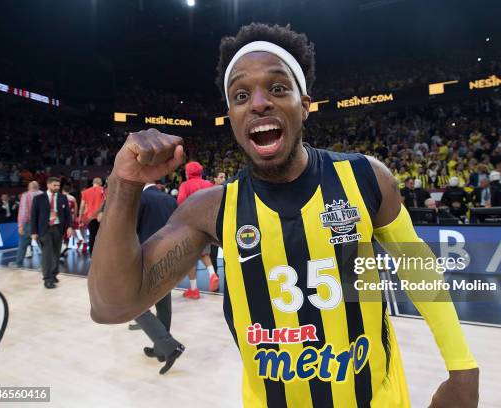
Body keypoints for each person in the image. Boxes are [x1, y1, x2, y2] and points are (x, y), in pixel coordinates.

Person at [88, 23, 478, 407]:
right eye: (241, 95)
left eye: (277, 88)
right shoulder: (211, 209)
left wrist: (462, 368)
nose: (258, 102)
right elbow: (112, 307)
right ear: (233, 117)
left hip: (377, 399)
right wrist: (124, 185)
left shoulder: (367, 178)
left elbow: (419, 269)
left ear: (304, 104)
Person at [134, 182, 185, 374]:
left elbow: (131, 231)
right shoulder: (170, 200)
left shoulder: (140, 199)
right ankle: (160, 349)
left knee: (133, 305)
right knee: (163, 304)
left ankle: (169, 345)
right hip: (170, 257)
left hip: (146, 258)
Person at [177, 161, 219, 297]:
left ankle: (194, 290)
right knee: (205, 253)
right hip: (207, 225)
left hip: (190, 226)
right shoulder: (208, 184)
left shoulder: (185, 185)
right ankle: (212, 274)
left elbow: (181, 202)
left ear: (188, 173)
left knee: (190, 258)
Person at [31, 177, 73, 288]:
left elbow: (68, 214)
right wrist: (34, 231)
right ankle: (47, 278)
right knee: (47, 254)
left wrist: (69, 227)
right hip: (44, 229)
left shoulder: (63, 198)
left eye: (58, 185)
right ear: (48, 184)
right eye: (55, 185)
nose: (57, 187)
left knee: (56, 253)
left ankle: (54, 274)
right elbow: (34, 216)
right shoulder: (38, 198)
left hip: (58, 229)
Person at [13, 181, 43, 267]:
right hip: (42, 222)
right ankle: (47, 264)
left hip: (29, 223)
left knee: (23, 243)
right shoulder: (43, 194)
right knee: (42, 243)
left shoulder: (26, 195)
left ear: (29, 187)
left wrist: (20, 225)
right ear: (38, 186)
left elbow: (23, 211)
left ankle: (18, 263)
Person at [79, 177, 105, 255]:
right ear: (101, 183)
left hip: (90, 217)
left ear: (92, 183)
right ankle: (101, 253)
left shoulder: (85, 192)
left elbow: (82, 206)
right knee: (101, 236)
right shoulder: (104, 190)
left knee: (92, 235)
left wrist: (80, 218)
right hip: (102, 217)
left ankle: (91, 253)